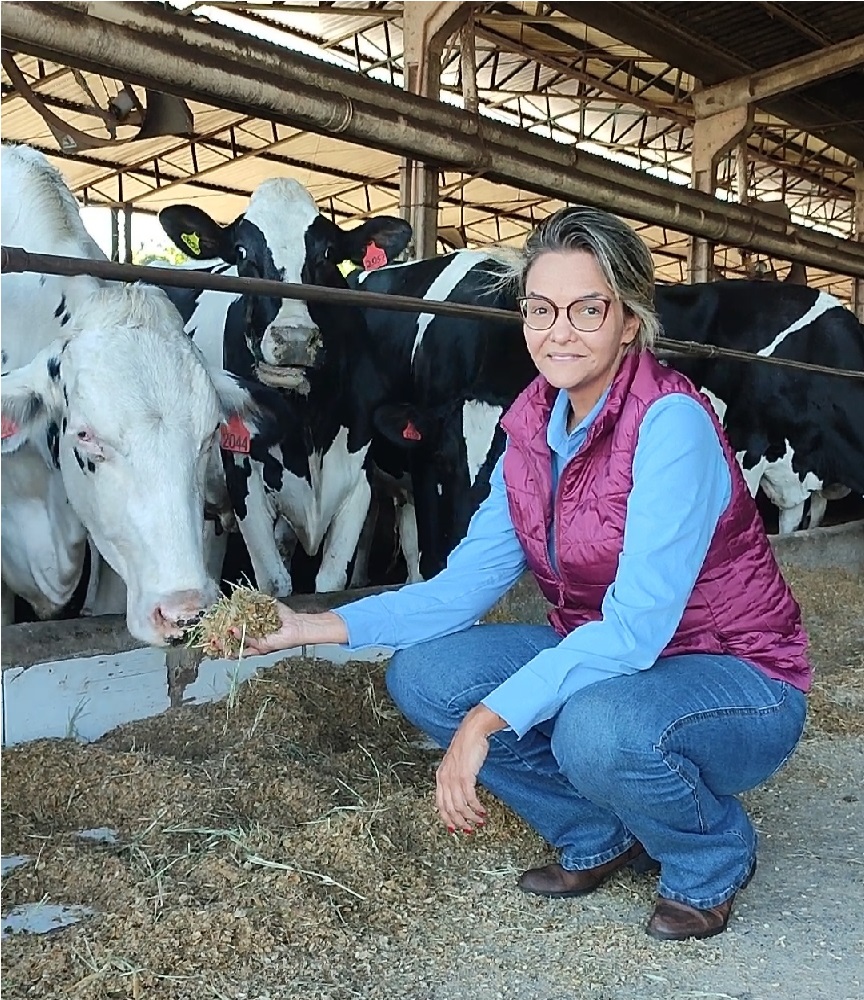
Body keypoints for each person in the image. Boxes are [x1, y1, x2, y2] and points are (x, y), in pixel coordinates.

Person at [234, 206, 810, 942]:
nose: (558, 331)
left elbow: (635, 630)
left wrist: (486, 722)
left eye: (586, 309)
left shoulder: (672, 424)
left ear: (629, 321)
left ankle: (710, 857)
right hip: (615, 660)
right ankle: (598, 829)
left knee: (595, 728)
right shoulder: (531, 428)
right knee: (424, 676)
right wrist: (308, 627)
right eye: (541, 309)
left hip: (736, 678)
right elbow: (461, 588)